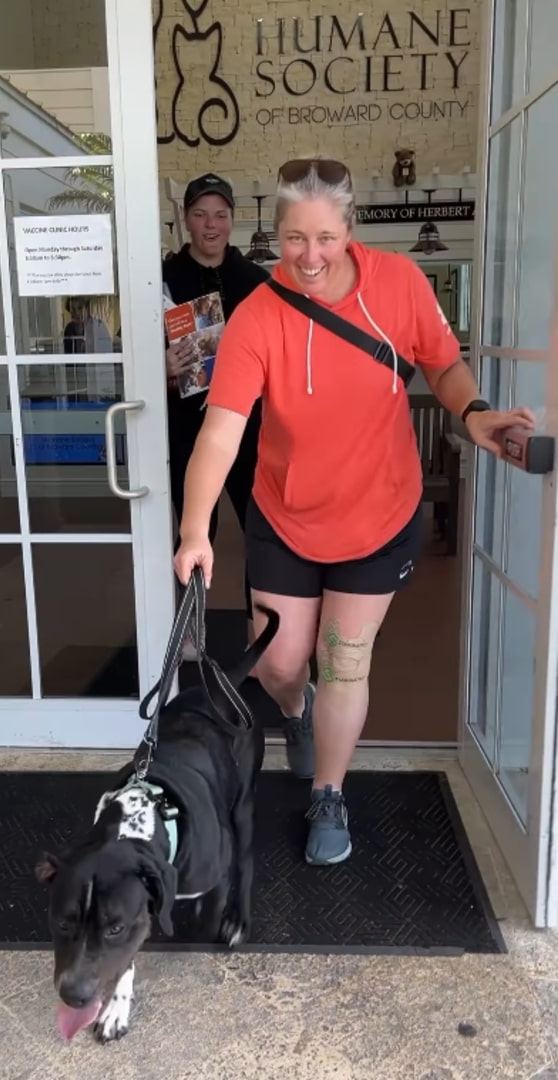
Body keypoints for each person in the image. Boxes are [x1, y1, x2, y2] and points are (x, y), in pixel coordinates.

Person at [173, 157, 535, 866]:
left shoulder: (398, 284)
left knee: (343, 659)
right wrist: (194, 529)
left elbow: (443, 362)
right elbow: (221, 429)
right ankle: (296, 712)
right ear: (274, 234)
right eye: (293, 239)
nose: (310, 257)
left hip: (378, 515)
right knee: (278, 664)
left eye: (326, 239)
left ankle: (330, 792)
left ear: (349, 230)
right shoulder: (258, 316)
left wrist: (478, 413)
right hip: (285, 515)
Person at [163, 173, 269, 641]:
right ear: (186, 219)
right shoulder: (162, 278)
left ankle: (257, 627)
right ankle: (190, 630)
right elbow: (131, 356)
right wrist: (160, 365)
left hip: (251, 429)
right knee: (194, 529)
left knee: (261, 532)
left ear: (232, 219)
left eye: (220, 215)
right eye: (201, 214)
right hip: (187, 428)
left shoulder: (257, 281)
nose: (211, 225)